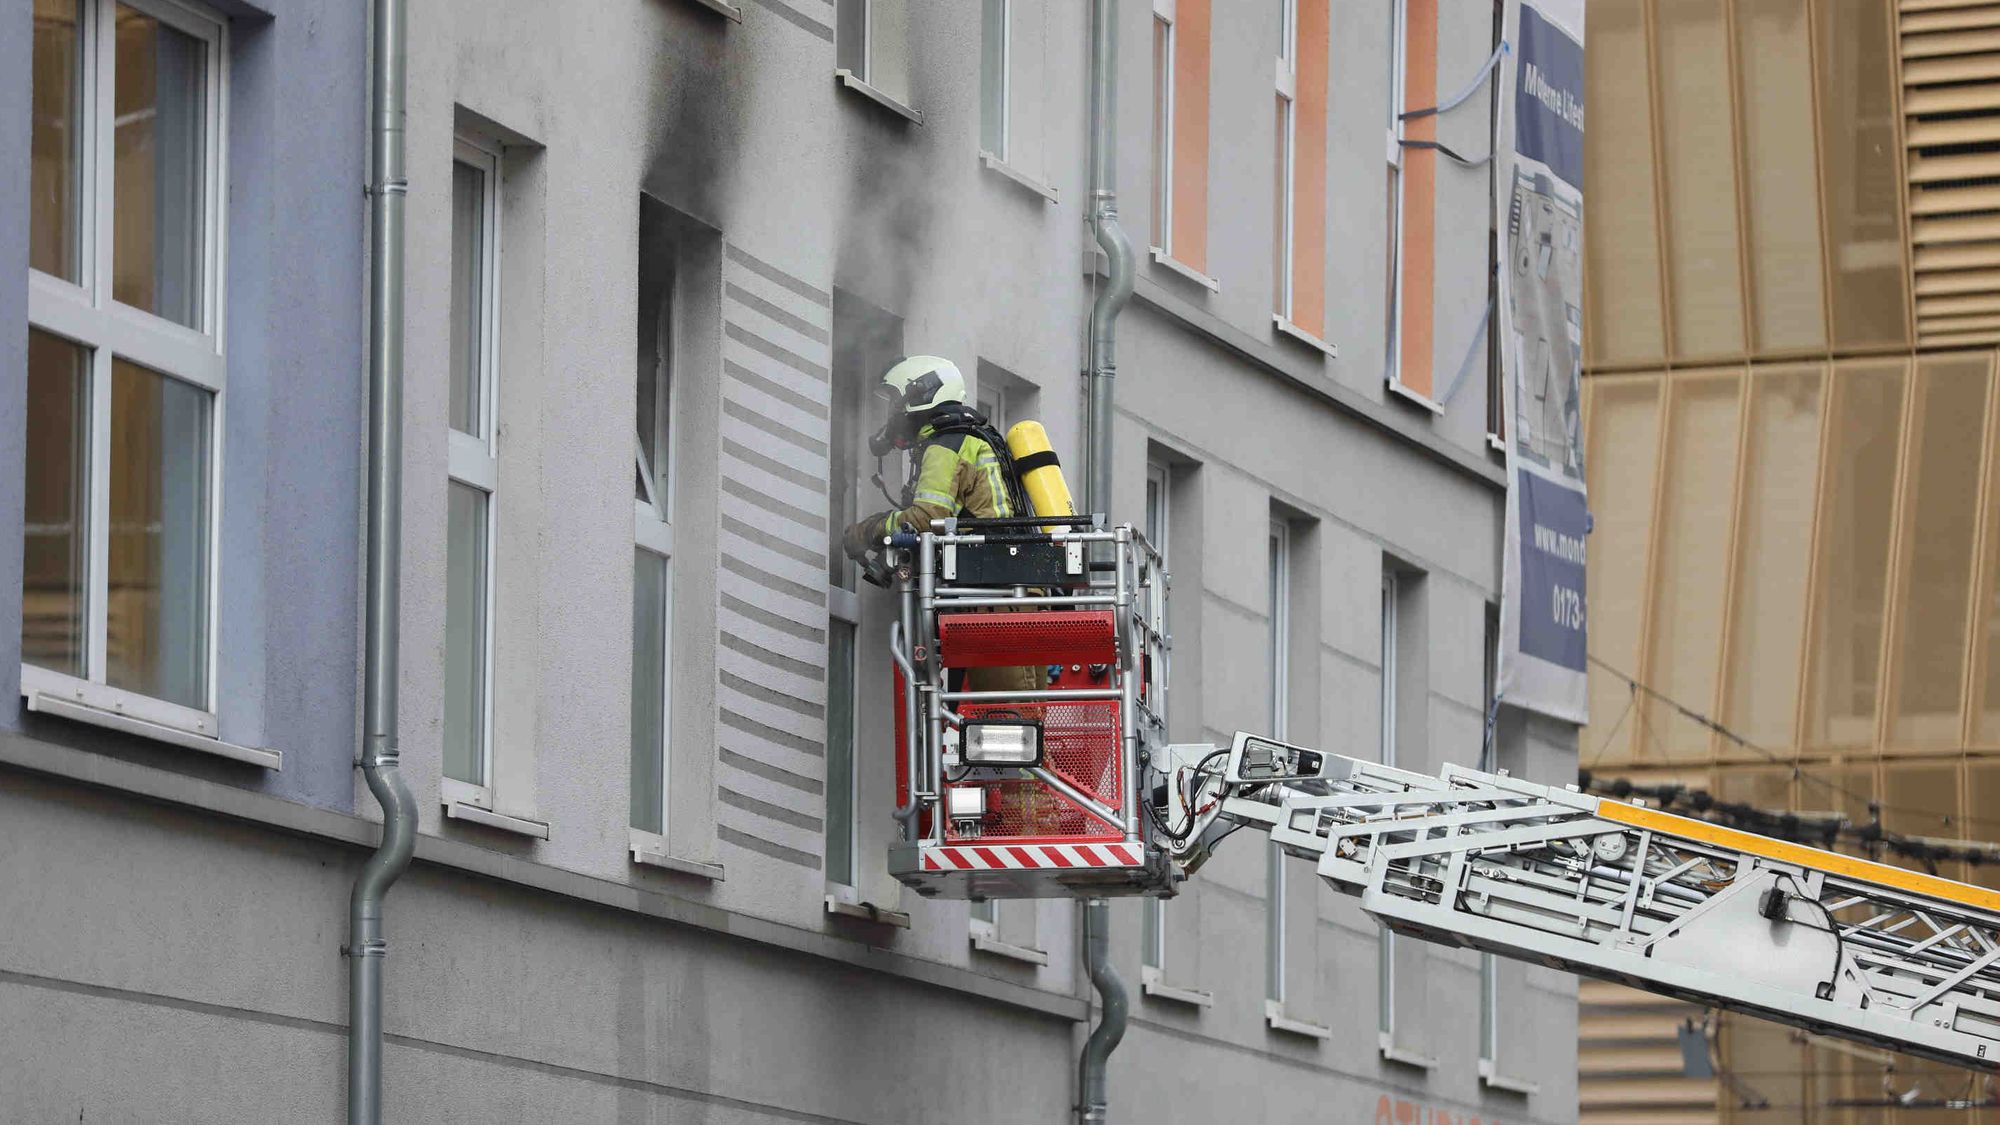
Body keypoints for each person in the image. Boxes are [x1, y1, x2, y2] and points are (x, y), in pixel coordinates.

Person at [841, 355, 1041, 694]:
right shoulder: (973, 437)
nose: (893, 414)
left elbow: (925, 518)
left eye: (895, 402)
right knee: (1018, 711)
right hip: (1016, 590)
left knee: (1006, 712)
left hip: (994, 596)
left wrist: (869, 530)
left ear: (920, 395)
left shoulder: (947, 444)